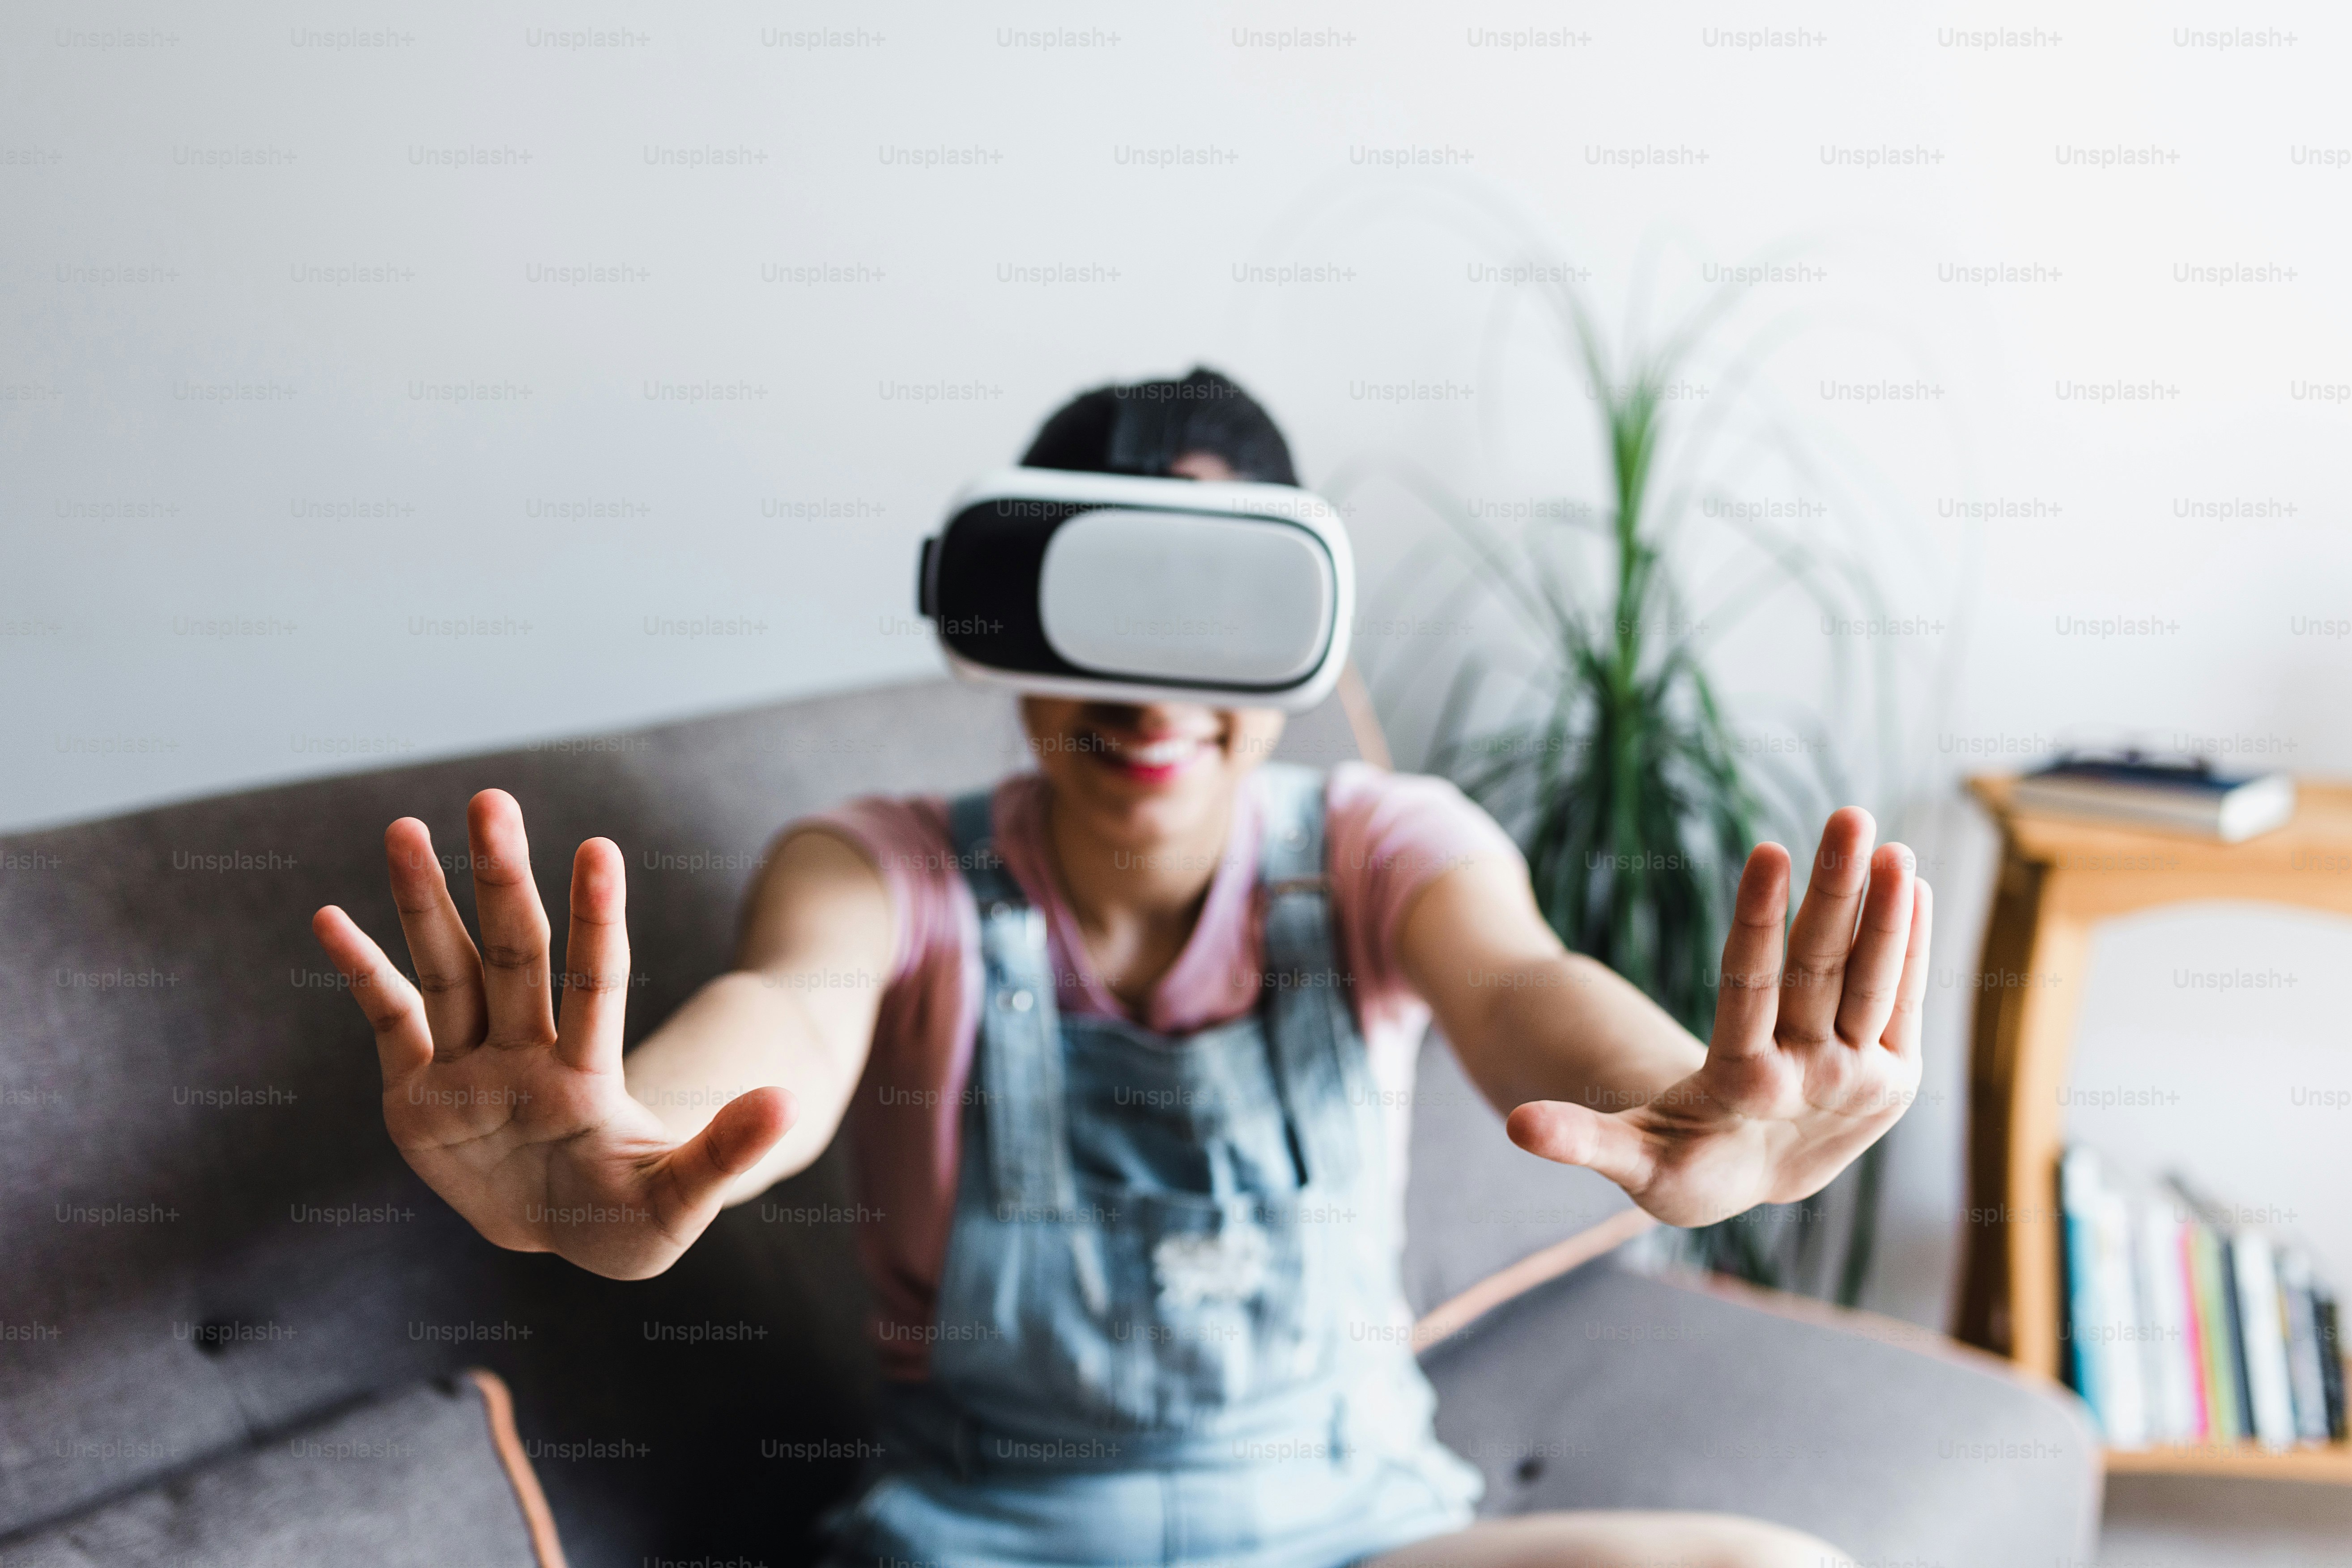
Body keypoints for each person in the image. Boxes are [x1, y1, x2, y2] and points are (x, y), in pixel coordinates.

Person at [312, 368, 1933, 1568]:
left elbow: (1516, 985)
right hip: (984, 1536)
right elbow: (784, 1019)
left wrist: (1674, 1097)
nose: (1148, 691)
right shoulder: (878, 863)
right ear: (1005, 624)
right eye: (1098, 605)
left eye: (1213, 608)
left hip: (1353, 1525)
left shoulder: (1380, 844)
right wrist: (631, 1139)